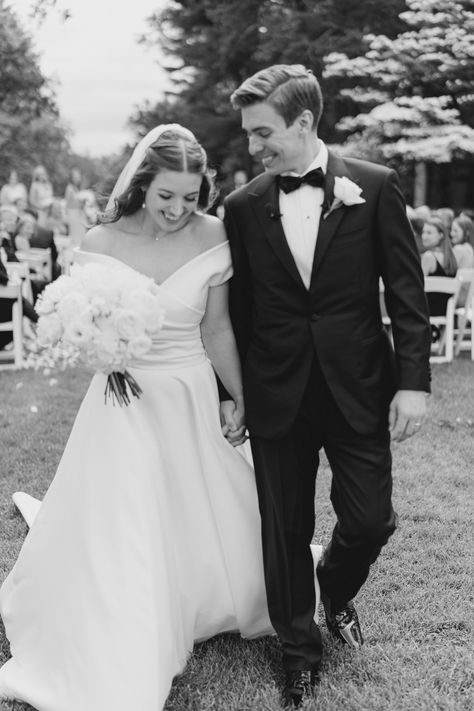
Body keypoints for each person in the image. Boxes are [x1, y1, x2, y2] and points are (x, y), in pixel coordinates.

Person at [0, 124, 317, 710]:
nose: (177, 209)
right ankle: (134, 613)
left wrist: (237, 394)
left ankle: (212, 594)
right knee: (128, 512)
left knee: (204, 501)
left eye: (190, 197)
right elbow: (81, 321)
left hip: (190, 389)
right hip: (122, 401)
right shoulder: (100, 240)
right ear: (142, 183)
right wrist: (103, 353)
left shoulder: (213, 235)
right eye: (165, 195)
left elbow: (216, 326)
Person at [221, 64, 432, 707]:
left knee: (370, 520)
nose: (254, 147)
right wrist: (232, 392)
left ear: (305, 121)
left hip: (359, 386)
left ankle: (333, 592)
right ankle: (298, 651)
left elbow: (406, 292)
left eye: (263, 132)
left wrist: (413, 384)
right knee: (283, 526)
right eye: (250, 134)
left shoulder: (374, 185)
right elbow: (236, 311)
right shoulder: (241, 206)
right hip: (276, 388)